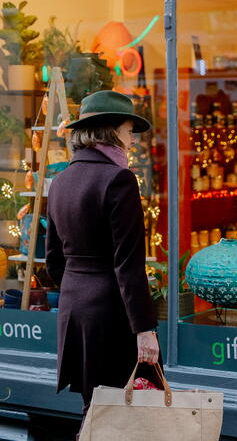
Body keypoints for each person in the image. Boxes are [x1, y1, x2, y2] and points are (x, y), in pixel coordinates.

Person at [45, 90, 160, 433]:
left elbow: (53, 260)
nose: (130, 142)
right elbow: (129, 264)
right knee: (124, 414)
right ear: (109, 132)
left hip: (75, 310)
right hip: (112, 313)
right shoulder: (119, 179)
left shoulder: (61, 181)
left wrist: (78, 289)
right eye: (127, 132)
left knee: (95, 408)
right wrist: (144, 329)